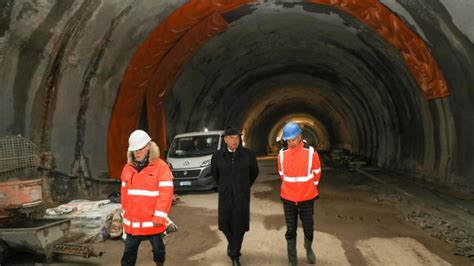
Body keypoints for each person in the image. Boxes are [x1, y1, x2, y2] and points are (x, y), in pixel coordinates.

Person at [120, 130, 174, 266]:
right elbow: (125, 194)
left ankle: (159, 264)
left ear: (149, 147)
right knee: (128, 253)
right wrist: (125, 214)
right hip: (133, 223)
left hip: (152, 222)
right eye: (134, 150)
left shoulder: (161, 167)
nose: (137, 153)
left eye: (141, 149)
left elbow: (165, 194)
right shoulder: (127, 168)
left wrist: (159, 217)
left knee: (158, 249)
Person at [211, 126, 259, 266]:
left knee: (240, 225)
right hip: (225, 196)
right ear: (225, 140)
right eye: (231, 138)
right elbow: (215, 174)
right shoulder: (218, 156)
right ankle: (233, 245)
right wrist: (224, 187)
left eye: (237, 137)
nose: (234, 141)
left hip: (242, 196)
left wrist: (244, 186)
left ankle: (234, 255)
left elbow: (254, 173)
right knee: (226, 225)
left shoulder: (248, 155)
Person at [277, 122, 321, 266]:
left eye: (294, 139)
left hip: (307, 197)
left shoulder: (310, 152)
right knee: (291, 229)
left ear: (300, 136)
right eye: (288, 140)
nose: (292, 142)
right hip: (288, 197)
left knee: (308, 226)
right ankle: (292, 259)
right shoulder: (282, 154)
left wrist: (309, 188)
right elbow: (282, 174)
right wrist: (291, 188)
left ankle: (308, 248)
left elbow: (316, 172)